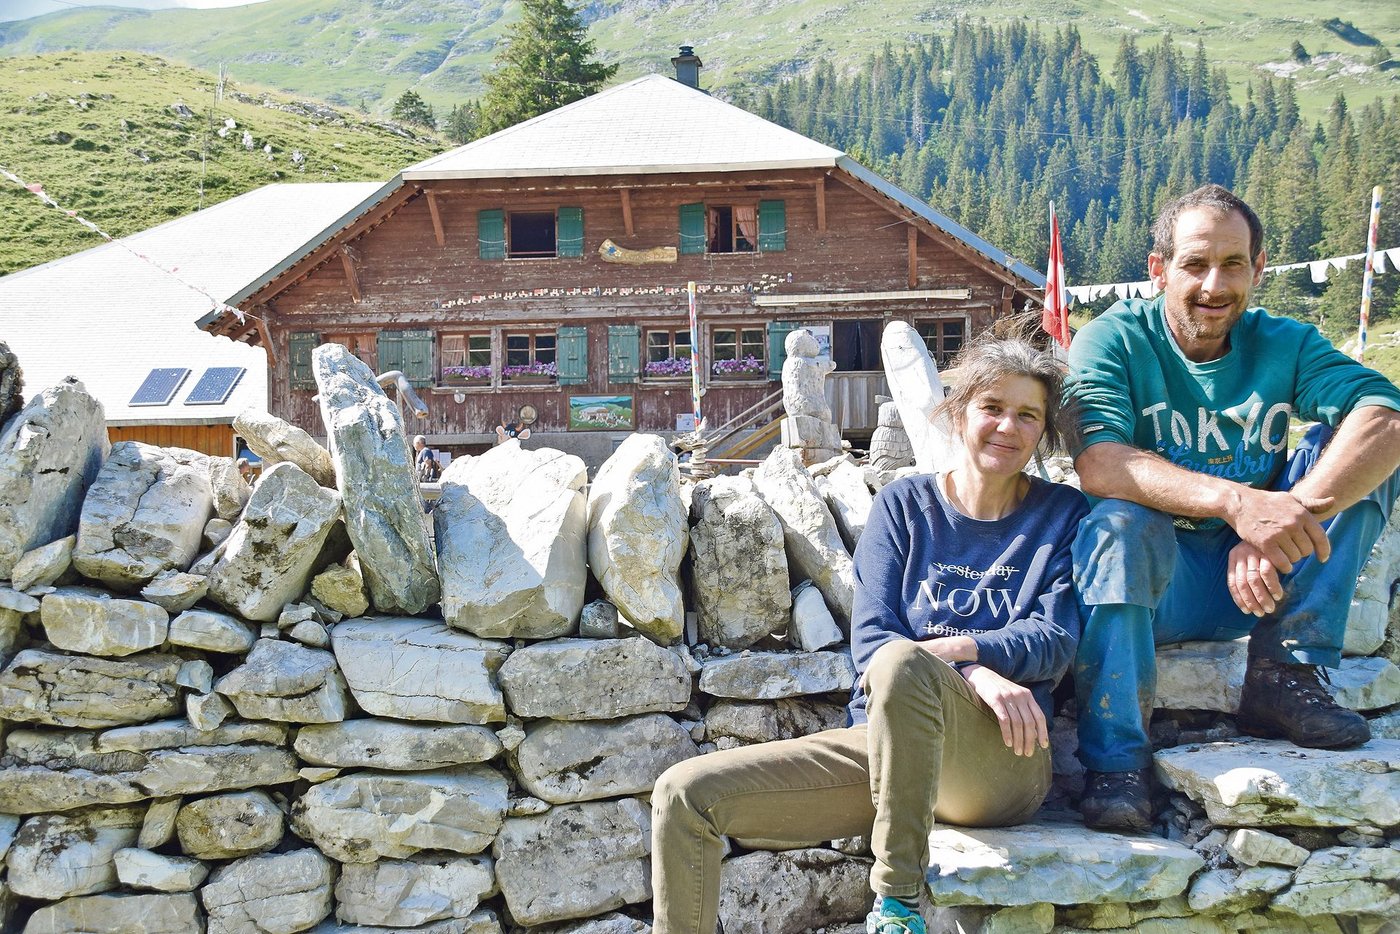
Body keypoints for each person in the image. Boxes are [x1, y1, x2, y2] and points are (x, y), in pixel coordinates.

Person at [651, 336, 1088, 934]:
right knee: (685, 795)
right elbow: (874, 640)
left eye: (1028, 414)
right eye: (992, 406)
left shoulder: (1062, 515)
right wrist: (974, 671)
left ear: (1042, 431)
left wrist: (967, 649)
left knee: (905, 663)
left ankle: (896, 905)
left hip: (999, 759)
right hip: (887, 746)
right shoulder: (904, 506)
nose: (1007, 425)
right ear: (960, 411)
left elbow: (1055, 637)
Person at [1065, 183, 1400, 833]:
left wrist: (1278, 522)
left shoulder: (1285, 342)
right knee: (1116, 524)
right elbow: (1100, 461)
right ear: (1158, 268)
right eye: (1194, 264)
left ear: (1259, 267)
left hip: (1264, 579)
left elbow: (1386, 421)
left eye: (1233, 264)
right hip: (1158, 585)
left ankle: (1285, 673)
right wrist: (1237, 502)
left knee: (1360, 458)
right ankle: (1117, 760)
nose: (1214, 285)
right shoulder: (1113, 341)